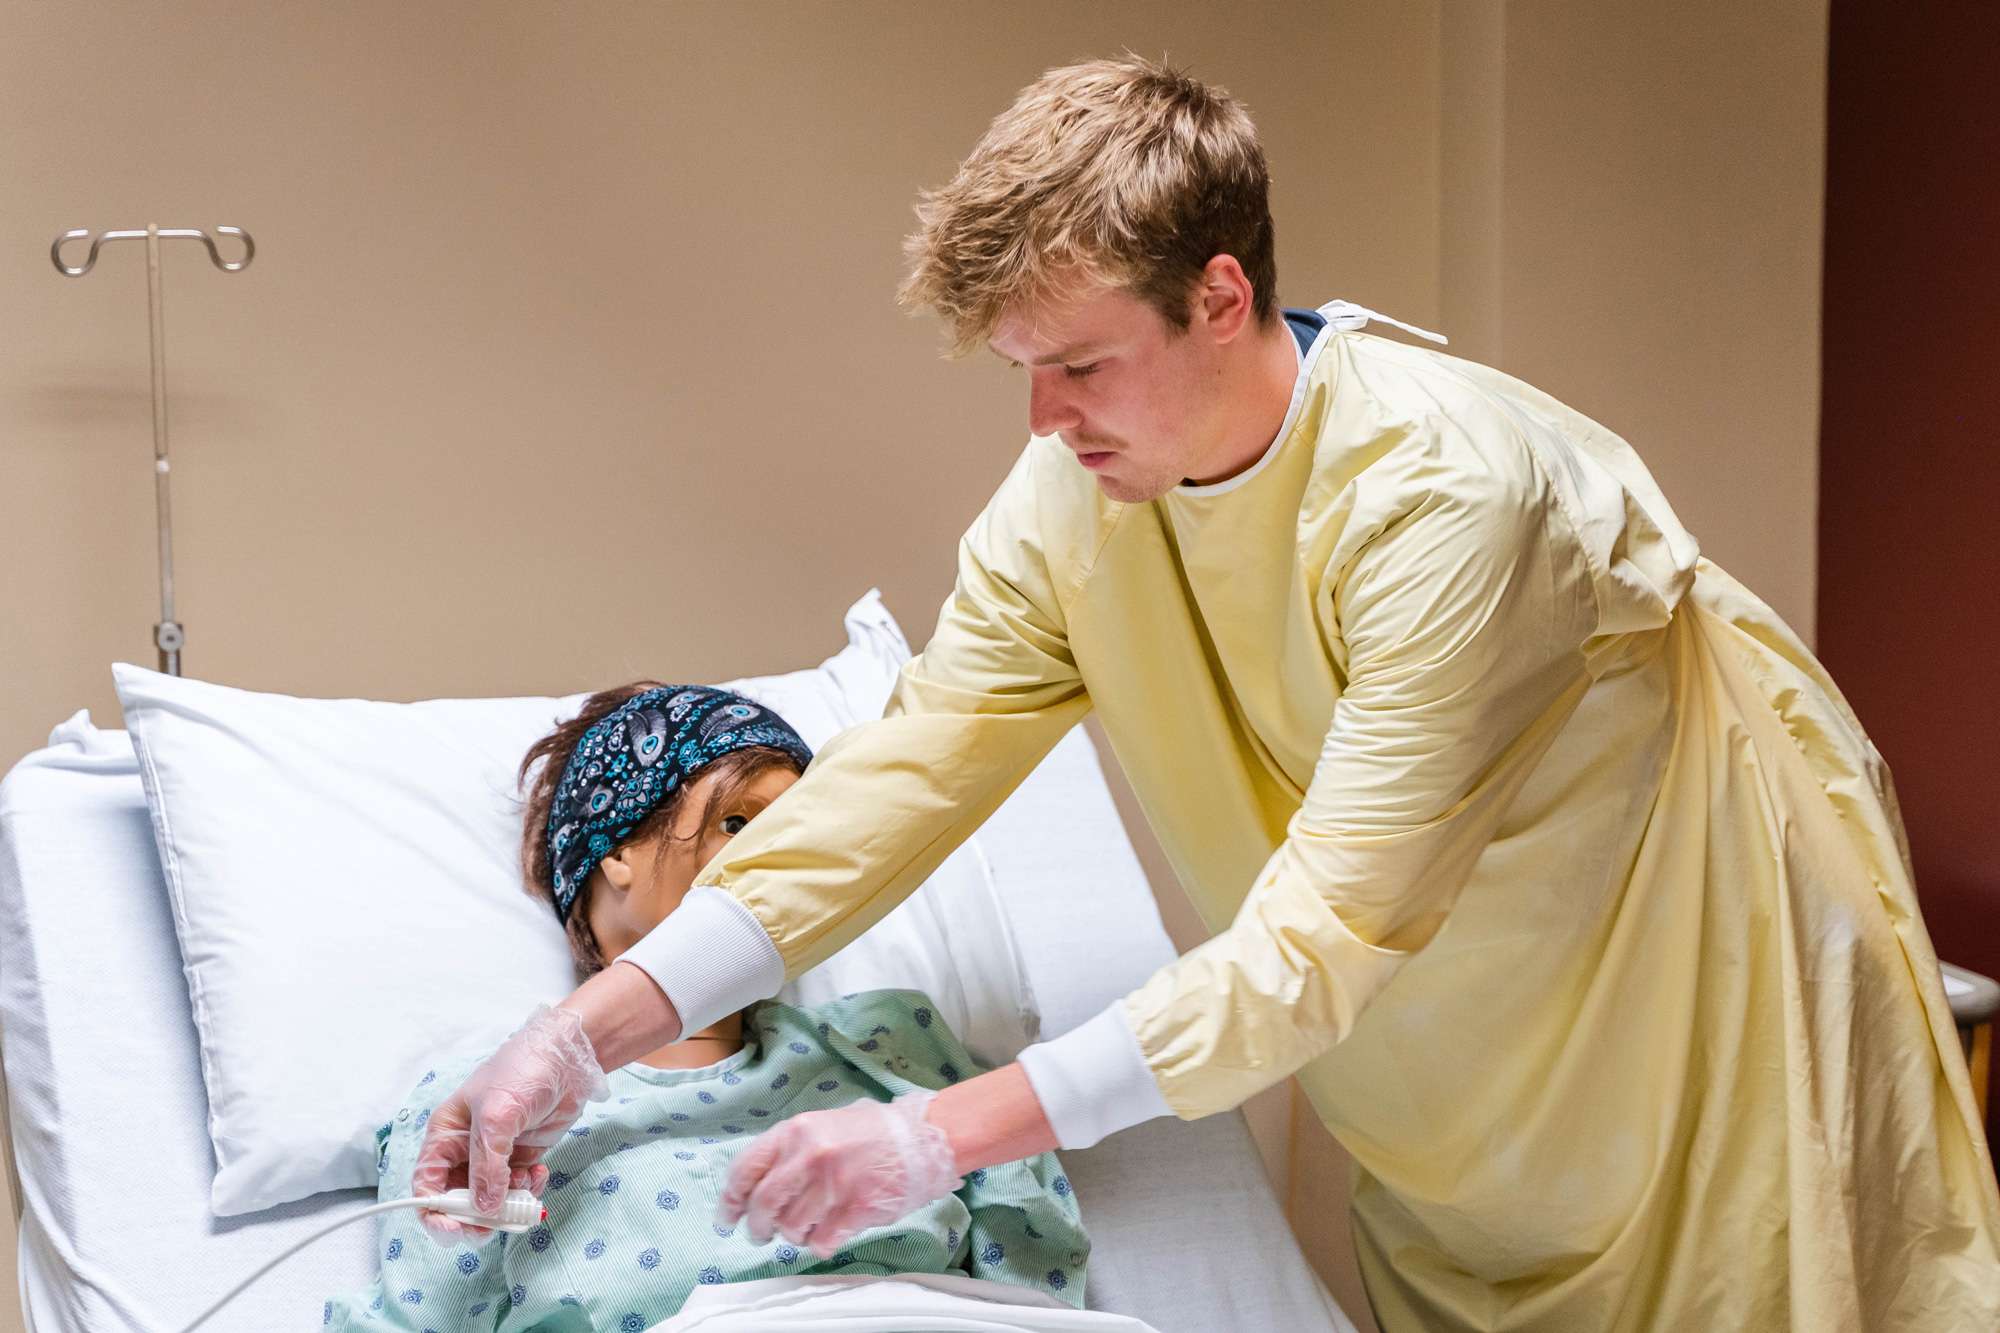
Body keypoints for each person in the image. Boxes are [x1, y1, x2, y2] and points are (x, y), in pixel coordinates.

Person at [419, 57, 2000, 1330]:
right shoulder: (1069, 508)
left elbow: (1319, 936)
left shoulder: (1449, 503)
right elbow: (898, 785)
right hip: (1446, 1075)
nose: (1044, 418)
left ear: (1223, 296)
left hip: (1684, 1019)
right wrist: (583, 1035)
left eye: (1083, 366)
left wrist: (937, 1136)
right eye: (1017, 370)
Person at [339, 684, 1085, 1330]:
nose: (784, 866)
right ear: (617, 848)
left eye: (803, 838)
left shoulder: (890, 1044)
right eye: (740, 823)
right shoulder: (481, 1114)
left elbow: (1031, 1250)